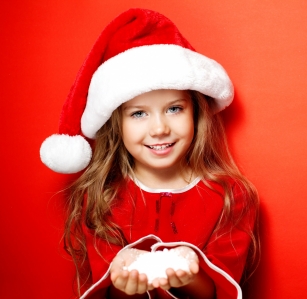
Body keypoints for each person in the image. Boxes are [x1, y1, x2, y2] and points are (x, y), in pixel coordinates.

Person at [39, 8, 259, 299]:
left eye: (174, 108)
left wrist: (189, 275)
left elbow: (217, 292)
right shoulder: (100, 198)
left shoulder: (232, 196)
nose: (159, 129)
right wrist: (124, 278)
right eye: (139, 113)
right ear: (116, 124)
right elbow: (107, 292)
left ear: (196, 112)